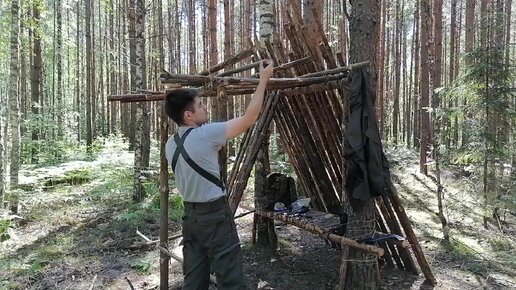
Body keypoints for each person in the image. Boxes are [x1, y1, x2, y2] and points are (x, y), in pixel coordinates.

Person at [164, 59, 274, 290]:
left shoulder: (170, 145)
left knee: (194, 280)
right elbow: (250, 118)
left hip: (191, 218)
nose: (205, 108)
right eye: (201, 105)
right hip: (214, 216)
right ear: (188, 116)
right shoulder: (206, 135)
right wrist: (264, 79)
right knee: (230, 279)